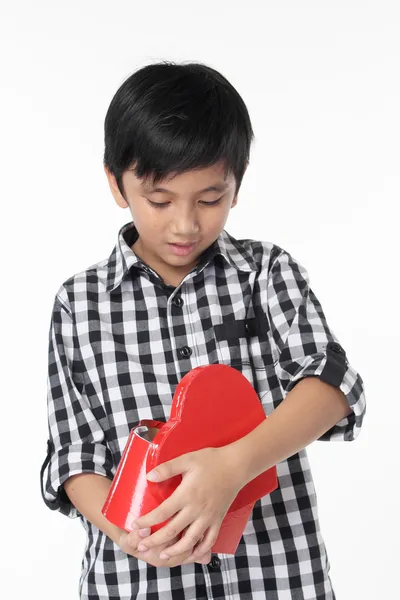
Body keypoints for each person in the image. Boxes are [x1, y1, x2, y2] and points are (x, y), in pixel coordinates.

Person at [40, 60, 366, 600]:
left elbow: (332, 386)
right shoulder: (80, 303)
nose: (186, 224)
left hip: (276, 577)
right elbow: (76, 457)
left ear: (236, 186)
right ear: (115, 183)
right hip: (137, 583)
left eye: (210, 199)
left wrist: (232, 467)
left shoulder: (266, 274)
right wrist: (133, 533)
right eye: (160, 200)